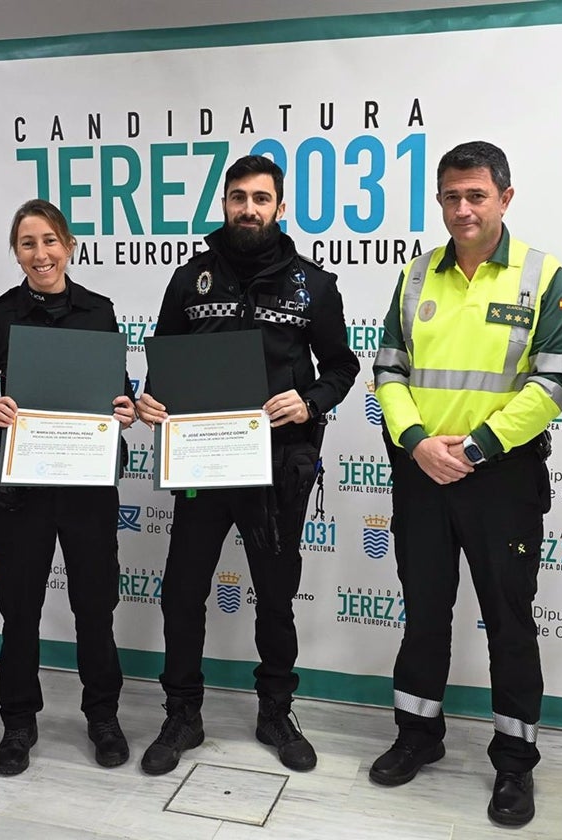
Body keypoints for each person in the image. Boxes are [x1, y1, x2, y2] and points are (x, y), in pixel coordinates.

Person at [370, 140, 562, 827]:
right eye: (451, 197)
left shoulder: (542, 275)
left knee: (510, 624)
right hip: (424, 473)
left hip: (504, 478)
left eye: (476, 196)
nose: (462, 209)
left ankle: (515, 767)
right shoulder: (416, 275)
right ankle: (416, 738)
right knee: (424, 613)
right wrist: (416, 443)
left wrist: (481, 445)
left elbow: (555, 381)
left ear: (505, 199)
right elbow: (389, 371)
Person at [135, 154, 357, 775]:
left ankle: (276, 711)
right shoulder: (190, 279)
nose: (249, 208)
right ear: (225, 204)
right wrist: (154, 397)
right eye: (238, 198)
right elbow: (166, 364)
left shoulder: (314, 284)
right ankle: (183, 713)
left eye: (262, 198)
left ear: (280, 207)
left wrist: (309, 400)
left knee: (277, 595)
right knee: (182, 591)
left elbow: (342, 367)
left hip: (278, 464)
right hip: (204, 463)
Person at [0, 199, 135, 776]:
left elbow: (120, 389)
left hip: (86, 485)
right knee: (20, 610)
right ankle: (18, 723)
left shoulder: (99, 311)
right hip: (24, 487)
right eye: (28, 243)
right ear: (17, 252)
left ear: (69, 245)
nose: (41, 254)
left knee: (95, 606)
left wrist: (125, 407)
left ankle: (103, 716)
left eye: (50, 241)